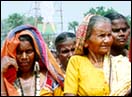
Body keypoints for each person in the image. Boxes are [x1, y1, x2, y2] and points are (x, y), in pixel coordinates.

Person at [64, 14, 131, 96]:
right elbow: (69, 94)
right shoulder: (76, 62)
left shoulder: (120, 63)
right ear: (85, 41)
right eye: (102, 36)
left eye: (109, 35)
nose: (107, 40)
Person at [1, 24, 64, 96]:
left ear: (37, 54)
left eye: (29, 51)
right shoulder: (7, 81)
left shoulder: (50, 80)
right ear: (13, 54)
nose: (24, 57)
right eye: (19, 52)